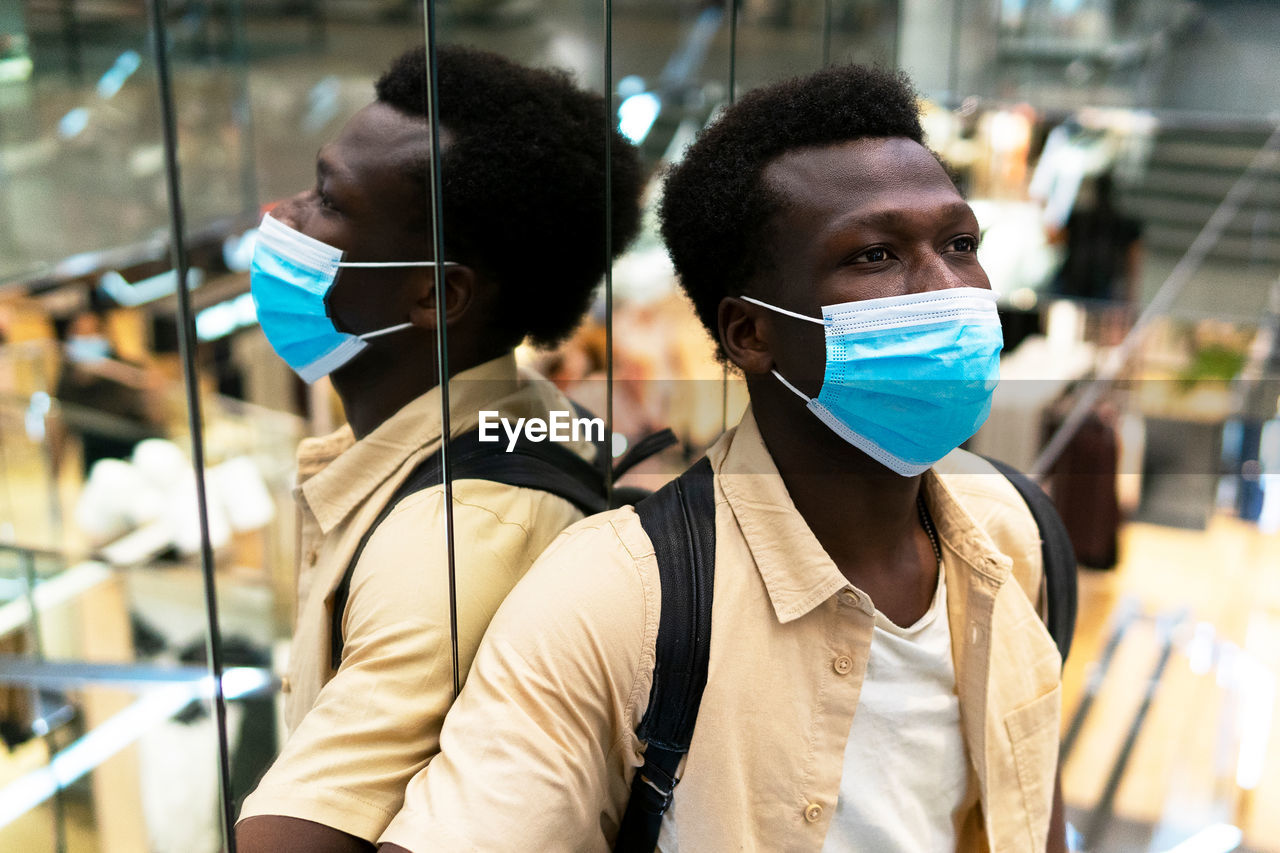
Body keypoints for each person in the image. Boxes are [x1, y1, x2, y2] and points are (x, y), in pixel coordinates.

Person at [378, 63, 1066, 853]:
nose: (949, 288)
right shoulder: (616, 600)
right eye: (876, 256)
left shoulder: (1012, 538)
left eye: (960, 242)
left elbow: (1028, 807)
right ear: (749, 332)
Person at [235, 45, 642, 852]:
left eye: (327, 201)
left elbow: (296, 838)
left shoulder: (453, 533)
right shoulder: (524, 415)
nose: (283, 215)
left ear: (434, 293)